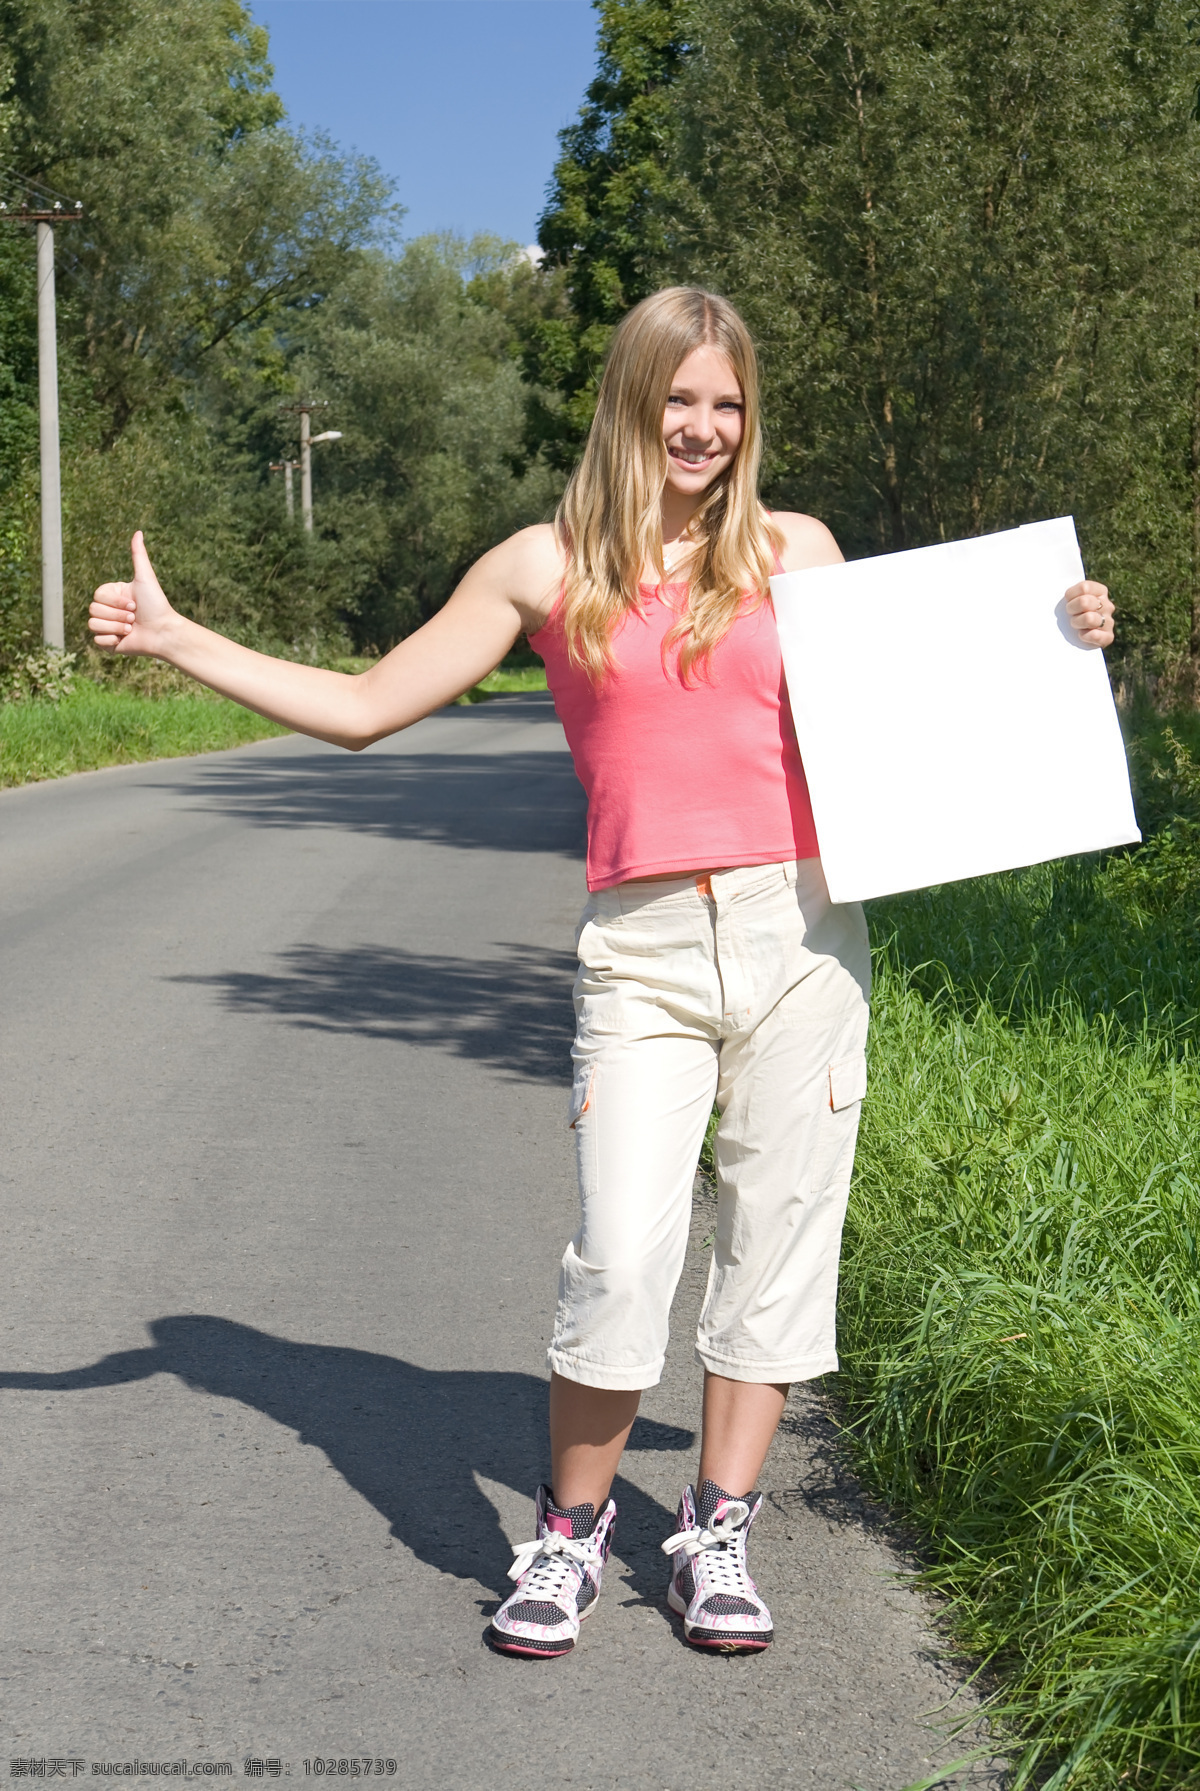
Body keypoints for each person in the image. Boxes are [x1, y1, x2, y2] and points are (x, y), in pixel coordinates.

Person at [89, 286, 1115, 1661]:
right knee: (621, 1257)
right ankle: (569, 1537)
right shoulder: (542, 566)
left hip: (801, 932)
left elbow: (927, 711)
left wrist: (1066, 644)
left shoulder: (798, 551)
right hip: (639, 949)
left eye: (728, 404)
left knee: (777, 1241)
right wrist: (179, 641)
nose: (703, 427)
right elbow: (361, 707)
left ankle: (714, 1532)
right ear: (632, 401)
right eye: (679, 398)